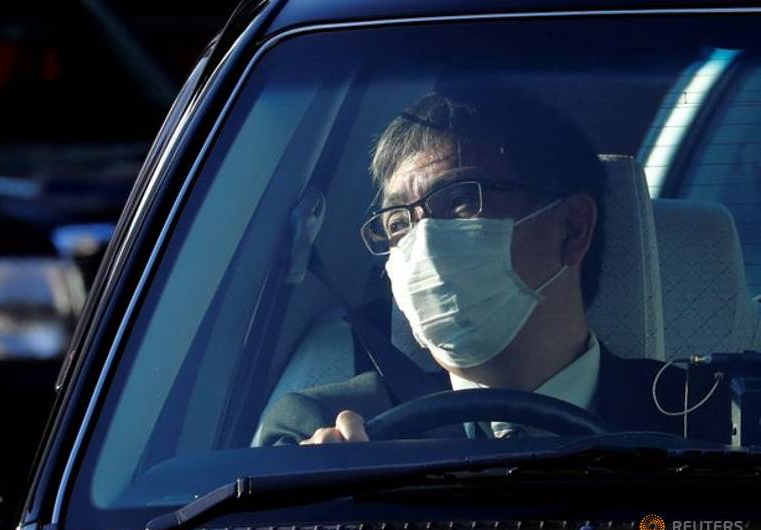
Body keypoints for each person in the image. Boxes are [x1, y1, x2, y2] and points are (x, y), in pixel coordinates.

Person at [258, 82, 729, 446]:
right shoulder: (325, 429)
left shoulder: (711, 421)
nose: (423, 242)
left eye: (461, 200)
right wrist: (325, 508)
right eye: (399, 222)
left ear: (572, 228)